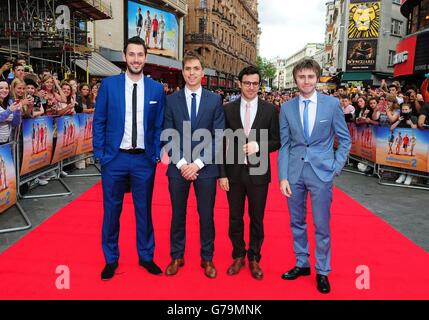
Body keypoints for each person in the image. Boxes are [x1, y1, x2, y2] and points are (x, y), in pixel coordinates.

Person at [93, 36, 165, 281]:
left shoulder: (156, 89)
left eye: (140, 55)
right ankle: (110, 259)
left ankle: (146, 256)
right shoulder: (109, 86)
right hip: (115, 160)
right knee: (111, 211)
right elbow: (99, 122)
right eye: (131, 54)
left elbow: (158, 125)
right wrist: (101, 155)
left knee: (144, 211)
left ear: (146, 58)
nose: (136, 59)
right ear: (125, 56)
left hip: (144, 161)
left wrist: (155, 153)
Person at [278, 59, 351, 294]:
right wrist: (283, 177)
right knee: (296, 221)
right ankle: (302, 263)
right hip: (294, 172)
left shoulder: (331, 105)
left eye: (310, 76)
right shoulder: (287, 108)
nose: (306, 81)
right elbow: (285, 145)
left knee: (321, 225)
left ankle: (322, 270)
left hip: (321, 173)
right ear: (296, 79)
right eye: (302, 77)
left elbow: (345, 139)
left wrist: (335, 167)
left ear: (317, 77)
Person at [163, 51, 225, 279]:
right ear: (183, 72)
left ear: (203, 72)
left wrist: (197, 164)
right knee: (177, 214)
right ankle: (176, 255)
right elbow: (168, 134)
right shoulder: (171, 100)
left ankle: (207, 257)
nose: (192, 73)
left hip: (206, 169)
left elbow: (218, 137)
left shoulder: (214, 100)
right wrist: (182, 164)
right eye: (188, 69)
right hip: (177, 168)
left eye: (196, 69)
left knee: (206, 215)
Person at [219, 66, 280, 280]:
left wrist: (259, 145)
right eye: (247, 83)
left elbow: (276, 141)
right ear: (240, 84)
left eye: (255, 83)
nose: (251, 87)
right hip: (233, 173)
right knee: (235, 217)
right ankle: (238, 255)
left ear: (259, 85)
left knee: (257, 218)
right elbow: (220, 142)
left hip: (259, 173)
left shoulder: (270, 110)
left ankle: (254, 257)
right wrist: (222, 174)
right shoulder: (227, 109)